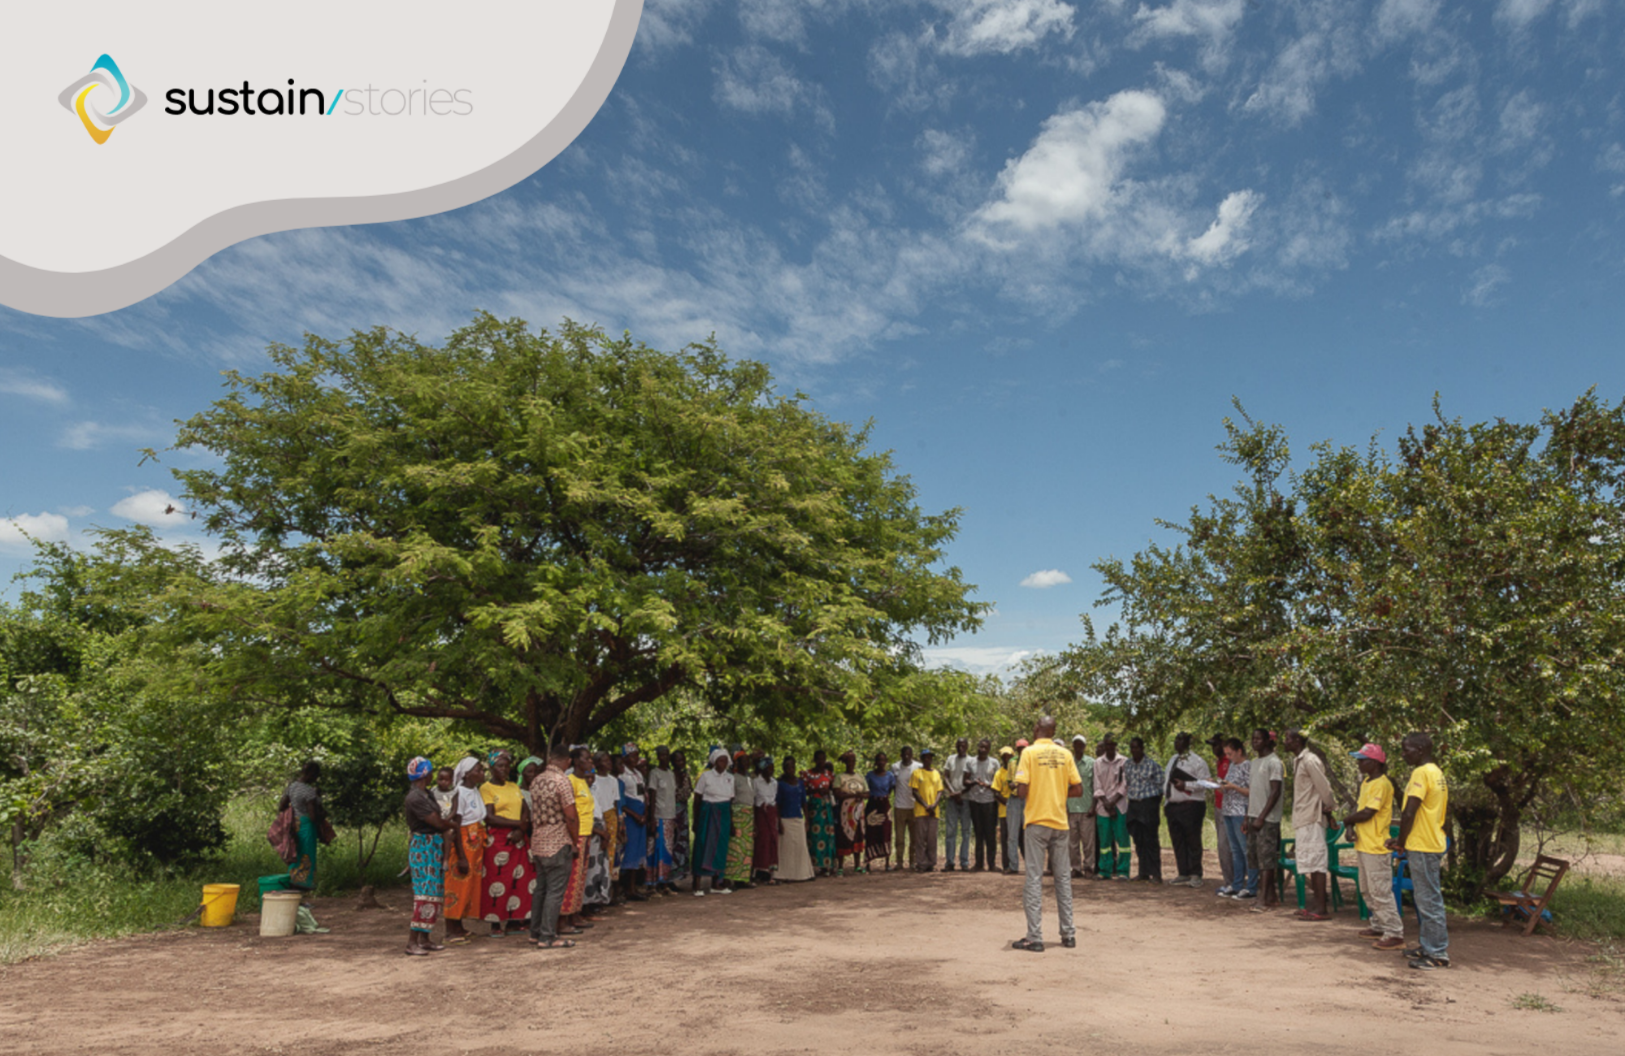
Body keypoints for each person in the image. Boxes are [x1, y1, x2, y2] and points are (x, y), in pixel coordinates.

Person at [1011, 716, 1083, 952]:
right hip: (1060, 823)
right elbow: (1078, 788)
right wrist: (1057, 793)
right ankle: (1068, 934)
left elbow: (1021, 791)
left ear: (1040, 729)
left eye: (1035, 726)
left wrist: (1033, 790)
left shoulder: (1029, 753)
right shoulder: (1065, 754)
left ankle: (1035, 937)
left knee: (1033, 878)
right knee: (1063, 879)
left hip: (1037, 822)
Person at [1391, 732, 1450, 970]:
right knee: (1425, 897)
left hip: (1423, 844)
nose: (1404, 754)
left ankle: (1437, 953)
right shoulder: (1436, 772)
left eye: (1407, 750)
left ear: (1421, 750)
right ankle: (1428, 945)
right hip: (1431, 841)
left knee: (1428, 899)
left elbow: (1409, 812)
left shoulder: (1421, 773)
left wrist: (1400, 842)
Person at [1344, 743, 1403, 950]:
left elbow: (1369, 812)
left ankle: (1394, 931)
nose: (1359, 763)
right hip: (1364, 843)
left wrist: (1347, 820)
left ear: (1375, 762)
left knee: (1380, 890)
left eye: (1363, 760)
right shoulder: (1368, 782)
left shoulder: (1382, 784)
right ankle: (1378, 924)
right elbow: (1360, 810)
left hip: (1377, 846)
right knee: (1367, 889)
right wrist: (1350, 825)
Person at [526, 743, 580, 949]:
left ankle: (535, 932)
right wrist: (574, 841)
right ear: (568, 761)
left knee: (541, 889)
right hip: (557, 841)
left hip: (539, 841)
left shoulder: (537, 780)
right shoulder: (562, 781)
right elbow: (570, 816)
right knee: (555, 891)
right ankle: (547, 936)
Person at [1284, 729, 1338, 919]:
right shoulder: (1298, 761)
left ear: (1298, 740)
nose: (1285, 742)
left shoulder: (1310, 760)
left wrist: (1329, 808)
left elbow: (1323, 787)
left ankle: (1321, 908)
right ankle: (1315, 904)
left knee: (1317, 864)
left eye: (1288, 738)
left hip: (1312, 818)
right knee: (1309, 861)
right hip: (1304, 817)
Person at [479, 749, 534, 935]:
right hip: (498, 840)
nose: (504, 769)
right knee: (497, 880)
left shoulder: (514, 787)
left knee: (519, 879)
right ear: (492, 768)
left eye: (507, 765)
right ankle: (495, 924)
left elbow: (525, 810)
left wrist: (521, 829)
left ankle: (514, 920)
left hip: (518, 838)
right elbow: (489, 817)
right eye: (500, 766)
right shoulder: (486, 788)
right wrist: (517, 824)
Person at [403, 756, 453, 956]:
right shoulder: (415, 798)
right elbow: (438, 823)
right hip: (424, 847)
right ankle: (412, 941)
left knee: (434, 895)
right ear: (425, 774)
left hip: (432, 846)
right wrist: (453, 825)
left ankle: (424, 938)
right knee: (424, 895)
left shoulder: (426, 794)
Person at [443, 756, 487, 942]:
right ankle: (451, 930)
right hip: (463, 843)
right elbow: (455, 825)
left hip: (475, 842)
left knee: (467, 886)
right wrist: (461, 856)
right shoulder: (459, 793)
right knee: (456, 884)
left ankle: (459, 926)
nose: (481, 773)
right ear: (467, 773)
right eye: (477, 770)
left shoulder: (474, 790)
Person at [1162, 732, 1211, 888]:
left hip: (1191, 805)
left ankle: (1196, 873)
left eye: (1180, 740)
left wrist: (1186, 785)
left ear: (1188, 742)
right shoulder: (1172, 759)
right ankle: (1183, 872)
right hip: (1173, 806)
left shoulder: (1197, 761)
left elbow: (1205, 783)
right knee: (1178, 841)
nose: (1177, 742)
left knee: (1193, 840)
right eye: (1175, 739)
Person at [1244, 729, 1285, 912]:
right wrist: (1248, 816)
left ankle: (1262, 898)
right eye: (1253, 738)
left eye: (1259, 739)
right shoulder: (1254, 763)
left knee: (1266, 859)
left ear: (1268, 741)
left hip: (1267, 818)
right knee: (1255, 856)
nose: (1255, 742)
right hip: (1254, 815)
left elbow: (1275, 791)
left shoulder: (1274, 762)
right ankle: (1271, 896)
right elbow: (1253, 791)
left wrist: (1261, 816)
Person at [278, 760, 330, 893]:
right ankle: (300, 889)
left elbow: (282, 806)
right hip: (307, 827)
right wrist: (323, 814)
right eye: (316, 775)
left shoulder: (292, 787)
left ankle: (292, 886)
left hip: (295, 825)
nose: (316, 779)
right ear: (311, 774)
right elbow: (313, 816)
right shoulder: (309, 792)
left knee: (296, 854)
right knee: (306, 857)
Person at [561, 748, 597, 932]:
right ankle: (564, 919)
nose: (590, 761)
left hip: (586, 833)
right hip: (577, 835)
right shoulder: (570, 781)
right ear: (576, 761)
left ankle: (575, 914)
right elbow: (570, 812)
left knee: (581, 877)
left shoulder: (583, 782)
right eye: (586, 758)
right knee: (572, 878)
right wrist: (573, 840)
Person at [1215, 738, 1255, 900]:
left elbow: (1251, 791)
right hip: (1228, 810)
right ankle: (1237, 884)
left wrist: (1233, 787)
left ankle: (1251, 885)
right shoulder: (1232, 765)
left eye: (1230, 753)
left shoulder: (1248, 766)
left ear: (1239, 751)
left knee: (1246, 850)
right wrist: (1219, 785)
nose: (1228, 757)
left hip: (1241, 811)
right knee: (1235, 850)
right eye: (1226, 754)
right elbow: (1228, 786)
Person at [692, 748, 735, 895]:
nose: (722, 763)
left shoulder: (730, 778)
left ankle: (716, 883)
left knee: (720, 847)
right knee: (702, 845)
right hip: (708, 812)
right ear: (714, 762)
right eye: (720, 760)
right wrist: (696, 820)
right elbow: (697, 799)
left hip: (723, 814)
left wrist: (732, 823)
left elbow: (730, 801)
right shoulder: (706, 776)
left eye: (725, 760)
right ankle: (697, 884)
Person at [1124, 737, 1164, 882]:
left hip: (1148, 804)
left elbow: (1161, 787)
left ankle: (1156, 874)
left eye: (1136, 748)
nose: (1134, 751)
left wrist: (1153, 804)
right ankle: (1143, 872)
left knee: (1151, 839)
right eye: (1132, 748)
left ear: (1142, 748)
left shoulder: (1152, 765)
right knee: (1138, 839)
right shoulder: (1127, 764)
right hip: (1134, 805)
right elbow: (1128, 783)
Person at [617, 745, 651, 903]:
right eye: (632, 755)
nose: (635, 758)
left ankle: (632, 888)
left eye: (637, 755)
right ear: (625, 757)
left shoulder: (638, 773)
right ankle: (622, 889)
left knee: (637, 852)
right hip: (630, 817)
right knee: (627, 852)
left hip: (640, 816)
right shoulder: (622, 775)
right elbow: (621, 801)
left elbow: (643, 795)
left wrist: (644, 814)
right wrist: (635, 814)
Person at [1093, 735, 1129, 880]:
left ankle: (1123, 871)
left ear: (1115, 745)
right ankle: (1105, 870)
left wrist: (1113, 802)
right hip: (1103, 807)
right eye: (1107, 744)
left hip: (1119, 806)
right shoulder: (1098, 763)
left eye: (1112, 744)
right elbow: (1097, 784)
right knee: (1105, 841)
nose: (1109, 747)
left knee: (1123, 841)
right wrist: (1106, 803)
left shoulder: (1124, 761)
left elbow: (1125, 784)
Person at [646, 746, 680, 895]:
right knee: (656, 850)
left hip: (670, 816)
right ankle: (652, 885)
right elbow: (652, 795)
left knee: (667, 851)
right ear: (658, 757)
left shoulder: (671, 774)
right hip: (659, 816)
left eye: (667, 755)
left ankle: (664, 883)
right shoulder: (654, 773)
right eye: (662, 755)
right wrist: (652, 818)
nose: (664, 757)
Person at [776, 756, 815, 882]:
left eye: (792, 767)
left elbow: (804, 802)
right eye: (787, 767)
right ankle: (784, 874)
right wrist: (779, 822)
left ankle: (803, 873)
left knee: (800, 846)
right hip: (785, 818)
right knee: (786, 848)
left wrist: (807, 819)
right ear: (784, 769)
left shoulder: (800, 783)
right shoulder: (780, 784)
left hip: (798, 818)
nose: (790, 770)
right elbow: (777, 804)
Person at [965, 739, 1001, 872]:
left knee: (990, 834)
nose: (983, 750)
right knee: (978, 833)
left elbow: (999, 783)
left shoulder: (994, 763)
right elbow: (965, 780)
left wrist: (987, 785)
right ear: (977, 747)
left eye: (986, 747)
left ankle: (991, 864)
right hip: (975, 801)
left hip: (990, 801)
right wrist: (973, 782)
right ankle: (978, 864)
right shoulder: (971, 762)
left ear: (989, 749)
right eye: (981, 747)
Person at [832, 750, 868, 875]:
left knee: (858, 834)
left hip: (858, 810)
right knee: (844, 835)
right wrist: (850, 796)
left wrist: (860, 795)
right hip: (845, 811)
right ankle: (840, 866)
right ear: (845, 763)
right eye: (849, 761)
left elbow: (867, 793)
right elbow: (837, 793)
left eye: (853, 761)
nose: (851, 764)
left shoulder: (860, 777)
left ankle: (857, 865)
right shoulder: (840, 777)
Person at [1206, 734, 1234, 892]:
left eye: (1216, 745)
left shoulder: (1229, 762)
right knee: (1223, 845)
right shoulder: (1219, 762)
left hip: (1229, 808)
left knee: (1227, 845)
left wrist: (1215, 783)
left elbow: (1230, 784)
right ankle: (1229, 880)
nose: (1214, 749)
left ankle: (1233, 882)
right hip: (1218, 806)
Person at [1066, 735, 1096, 880]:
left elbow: (1096, 786)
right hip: (1071, 808)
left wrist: (1094, 806)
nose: (1079, 747)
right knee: (1072, 842)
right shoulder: (1067, 762)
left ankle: (1089, 867)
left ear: (1084, 746)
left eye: (1081, 744)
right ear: (1073, 746)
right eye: (1076, 744)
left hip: (1087, 809)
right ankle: (1075, 868)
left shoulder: (1092, 763)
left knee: (1088, 842)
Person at [941, 737, 973, 871]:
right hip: (952, 799)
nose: (961, 747)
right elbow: (945, 776)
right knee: (950, 831)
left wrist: (960, 793)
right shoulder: (951, 759)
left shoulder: (971, 761)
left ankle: (964, 862)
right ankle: (950, 862)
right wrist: (953, 792)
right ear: (956, 746)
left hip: (966, 798)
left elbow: (972, 780)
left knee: (966, 831)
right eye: (959, 745)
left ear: (967, 746)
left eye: (963, 745)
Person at [909, 748, 944, 871]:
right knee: (920, 839)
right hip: (920, 810)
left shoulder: (936, 773)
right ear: (922, 759)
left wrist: (934, 805)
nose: (928, 760)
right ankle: (921, 863)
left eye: (930, 757)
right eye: (925, 757)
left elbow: (940, 790)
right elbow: (915, 791)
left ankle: (931, 863)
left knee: (931, 839)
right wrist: (926, 805)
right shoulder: (917, 773)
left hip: (934, 811)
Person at [726, 751, 757, 888]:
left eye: (747, 761)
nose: (746, 764)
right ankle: (731, 878)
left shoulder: (750, 779)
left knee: (747, 849)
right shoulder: (734, 778)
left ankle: (743, 879)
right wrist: (731, 822)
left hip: (749, 816)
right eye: (742, 761)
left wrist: (754, 822)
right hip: (738, 816)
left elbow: (753, 800)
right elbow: (730, 800)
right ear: (737, 763)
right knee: (735, 849)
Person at [803, 751, 836, 876]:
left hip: (826, 807)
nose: (821, 762)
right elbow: (803, 791)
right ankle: (813, 865)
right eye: (818, 759)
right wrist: (816, 790)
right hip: (814, 808)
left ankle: (826, 865)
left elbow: (833, 789)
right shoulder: (808, 775)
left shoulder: (829, 775)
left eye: (823, 759)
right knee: (814, 835)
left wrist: (827, 791)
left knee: (827, 835)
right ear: (814, 760)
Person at [890, 746, 921, 871]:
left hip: (914, 806)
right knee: (899, 837)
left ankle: (913, 862)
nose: (907, 756)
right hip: (899, 806)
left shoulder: (918, 766)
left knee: (914, 837)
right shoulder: (895, 767)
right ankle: (899, 862)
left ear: (912, 755)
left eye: (909, 754)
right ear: (901, 755)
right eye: (904, 754)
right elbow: (893, 785)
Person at [864, 752, 895, 871]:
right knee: (871, 833)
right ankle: (868, 862)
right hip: (872, 806)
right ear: (875, 762)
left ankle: (887, 863)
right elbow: (866, 789)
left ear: (886, 762)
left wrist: (884, 797)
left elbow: (891, 789)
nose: (881, 762)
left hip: (885, 806)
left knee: (885, 832)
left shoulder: (890, 776)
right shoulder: (870, 775)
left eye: (883, 760)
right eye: (879, 760)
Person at [752, 758, 780, 883]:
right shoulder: (756, 782)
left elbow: (774, 800)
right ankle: (756, 871)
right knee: (761, 841)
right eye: (768, 768)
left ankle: (771, 874)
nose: (771, 771)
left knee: (773, 841)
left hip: (771, 812)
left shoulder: (774, 782)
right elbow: (753, 801)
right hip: (760, 813)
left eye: (772, 768)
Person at [1004, 738, 1029, 870]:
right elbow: (1009, 780)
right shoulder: (1012, 762)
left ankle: (1031, 865)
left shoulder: (1031, 761)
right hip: (1014, 798)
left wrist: (1019, 784)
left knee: (1029, 834)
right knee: (1012, 834)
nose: (1021, 751)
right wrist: (1013, 785)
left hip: (1027, 799)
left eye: (1023, 748)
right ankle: (1013, 865)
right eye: (1019, 749)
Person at [670, 748, 693, 887]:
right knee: (672, 843)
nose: (681, 763)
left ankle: (678, 874)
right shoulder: (669, 775)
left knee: (682, 843)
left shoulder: (686, 776)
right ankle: (669, 877)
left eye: (683, 760)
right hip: (671, 812)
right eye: (678, 760)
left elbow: (689, 793)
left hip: (683, 812)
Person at [991, 747, 1015, 872]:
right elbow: (995, 792)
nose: (1007, 759)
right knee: (1005, 839)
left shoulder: (1018, 771)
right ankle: (1007, 865)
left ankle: (1025, 864)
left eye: (1009, 756)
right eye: (1004, 757)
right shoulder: (999, 773)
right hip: (1004, 811)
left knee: (1020, 838)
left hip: (1018, 811)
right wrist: (1007, 802)